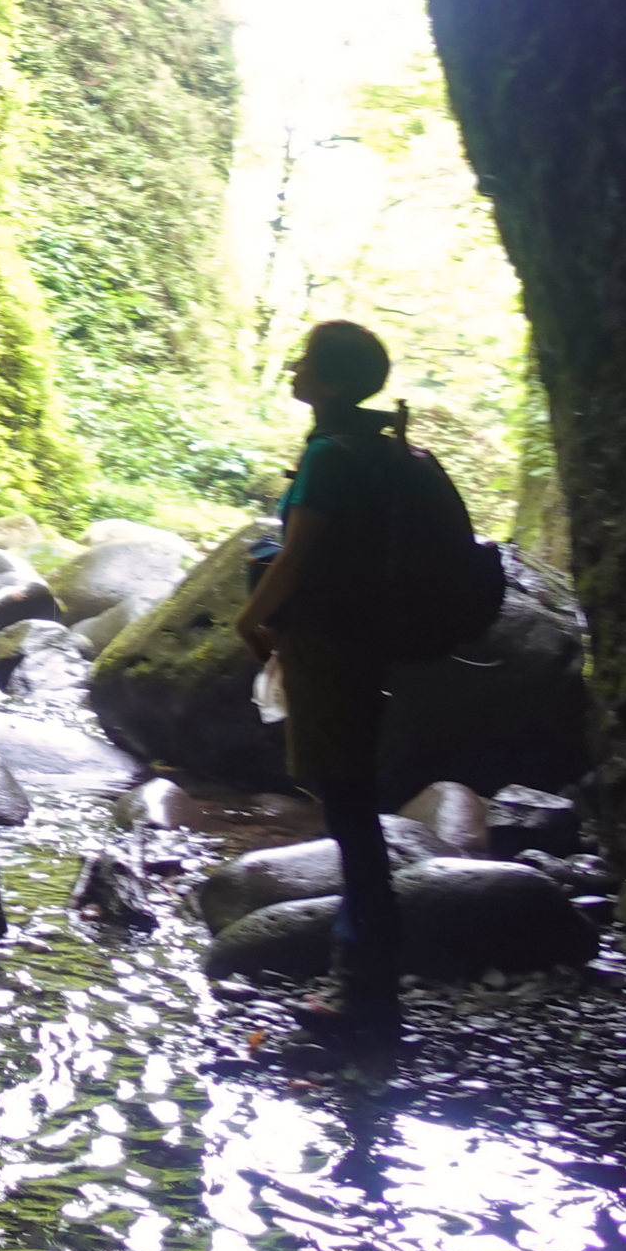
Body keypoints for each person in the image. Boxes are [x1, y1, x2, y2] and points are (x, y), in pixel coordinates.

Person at [233, 318, 405, 1047]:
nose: (293, 370)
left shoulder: (331, 454)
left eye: (305, 362)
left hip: (329, 645)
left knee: (348, 805)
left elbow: (297, 558)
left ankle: (364, 983)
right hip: (363, 640)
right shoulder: (373, 444)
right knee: (351, 799)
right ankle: (365, 969)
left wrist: (249, 620)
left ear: (330, 382)